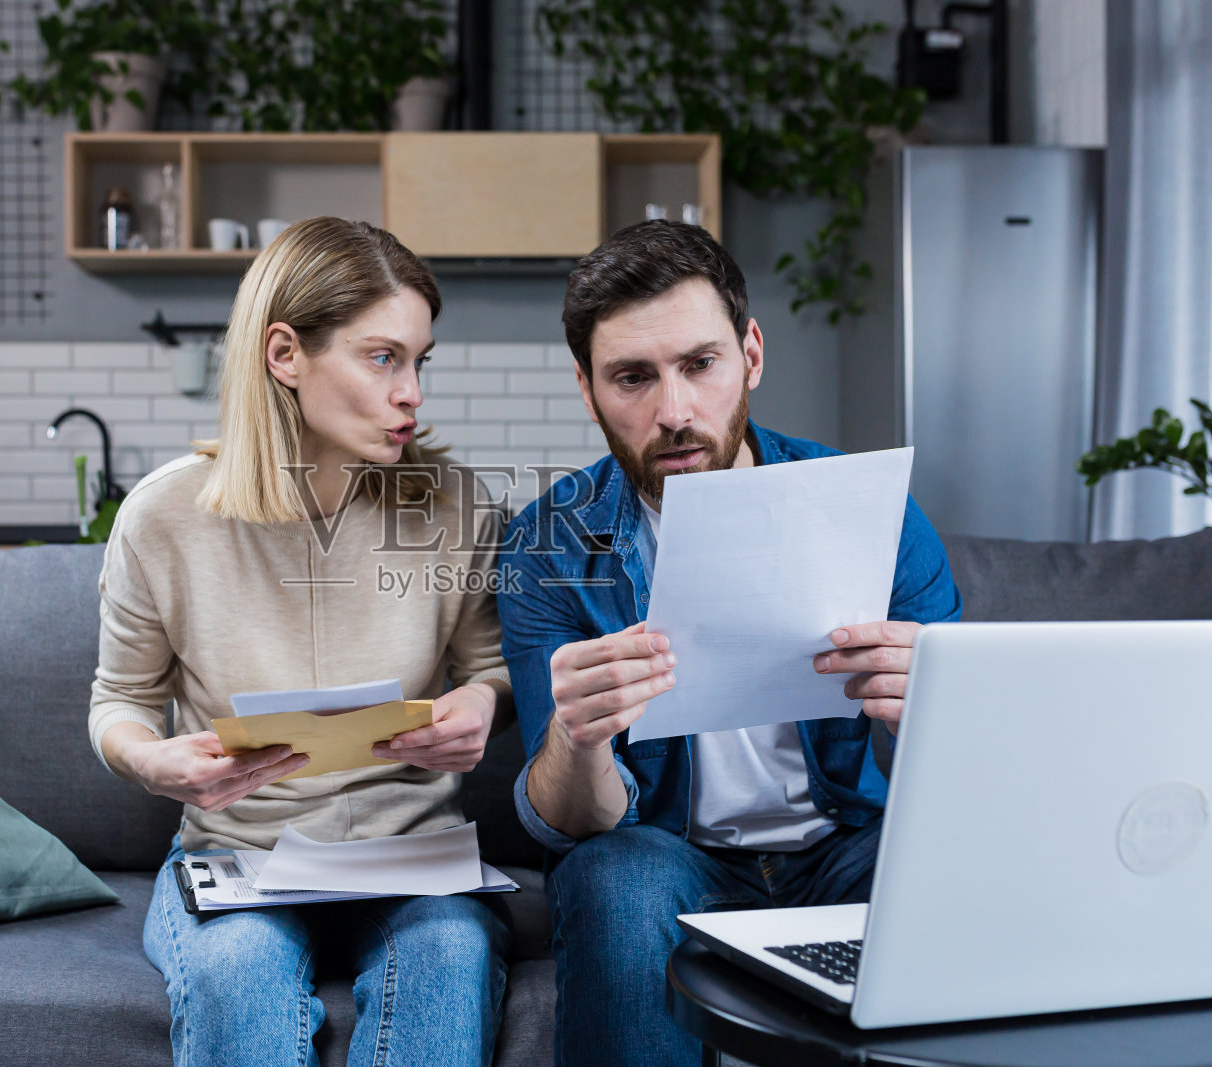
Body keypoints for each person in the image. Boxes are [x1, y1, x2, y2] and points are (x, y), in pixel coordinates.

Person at [496, 220, 963, 1066]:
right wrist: (579, 737)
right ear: (586, 387)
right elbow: (567, 821)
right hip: (668, 858)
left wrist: (929, 711)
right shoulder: (547, 545)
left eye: (699, 364)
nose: (673, 413)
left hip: (844, 845)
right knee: (614, 875)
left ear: (750, 352)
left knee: (946, 869)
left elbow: (976, 775)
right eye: (632, 377)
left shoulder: (874, 512)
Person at [90, 217, 515, 1067]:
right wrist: (152, 761)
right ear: (286, 354)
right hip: (240, 856)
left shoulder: (457, 505)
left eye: (419, 361)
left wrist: (482, 703)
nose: (413, 394)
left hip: (409, 856)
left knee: (450, 951)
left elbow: (491, 670)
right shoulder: (162, 517)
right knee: (238, 963)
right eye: (382, 356)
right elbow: (121, 702)